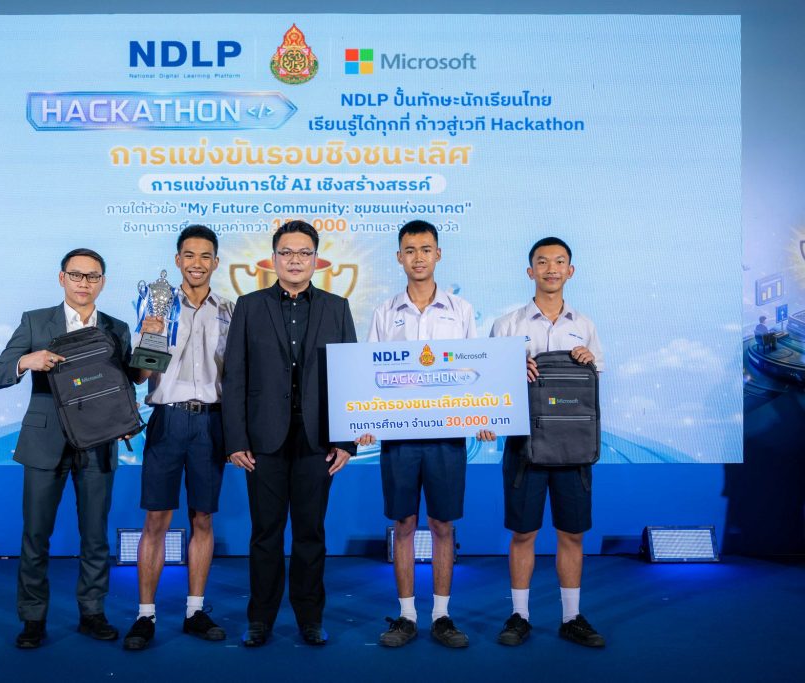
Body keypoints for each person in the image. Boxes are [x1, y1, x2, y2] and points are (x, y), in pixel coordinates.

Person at [0, 248, 143, 649]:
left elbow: (132, 379)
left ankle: (92, 612)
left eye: (92, 276)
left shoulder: (117, 328)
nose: (83, 283)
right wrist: (27, 360)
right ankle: (33, 618)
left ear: (103, 282)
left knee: (95, 537)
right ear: (62, 278)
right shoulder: (35, 321)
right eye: (76, 275)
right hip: (45, 444)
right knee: (35, 536)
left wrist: (154, 346)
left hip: (99, 444)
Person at [357, 220, 492, 649]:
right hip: (399, 436)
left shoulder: (461, 310)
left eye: (426, 249)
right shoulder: (385, 312)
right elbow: (369, 371)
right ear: (399, 257)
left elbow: (476, 368)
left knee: (442, 524)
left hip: (447, 436)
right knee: (403, 524)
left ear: (438, 254)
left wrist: (484, 414)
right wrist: (364, 422)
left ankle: (442, 615)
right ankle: (406, 615)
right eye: (410, 250)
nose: (418, 257)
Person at [222, 220, 357, 647]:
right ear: (273, 259)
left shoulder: (337, 307)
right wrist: (235, 440)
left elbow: (349, 376)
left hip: (318, 440)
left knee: (310, 533)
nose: (295, 260)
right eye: (286, 252)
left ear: (316, 259)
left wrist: (347, 440)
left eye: (303, 253)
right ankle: (260, 619)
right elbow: (235, 376)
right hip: (263, 440)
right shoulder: (249, 306)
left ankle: (310, 618)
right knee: (265, 533)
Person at [488, 236, 606, 648]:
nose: (551, 269)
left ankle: (571, 617)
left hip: (574, 446)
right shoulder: (507, 326)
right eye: (542, 262)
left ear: (570, 271)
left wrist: (589, 361)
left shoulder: (585, 325)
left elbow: (594, 386)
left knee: (572, 534)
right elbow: (490, 387)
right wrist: (510, 371)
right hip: (524, 446)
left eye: (559, 262)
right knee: (524, 534)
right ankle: (519, 615)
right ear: (530, 271)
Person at [122, 225, 234, 650]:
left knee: (203, 518)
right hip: (167, 420)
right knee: (156, 520)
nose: (197, 264)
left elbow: (236, 374)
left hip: (211, 423)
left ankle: (194, 610)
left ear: (216, 263)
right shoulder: (156, 305)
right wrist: (152, 335)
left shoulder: (230, 311)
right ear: (177, 260)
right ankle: (145, 615)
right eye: (189, 255)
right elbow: (140, 375)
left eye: (205, 256)